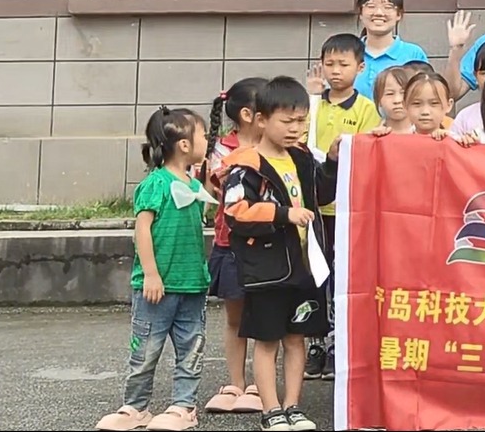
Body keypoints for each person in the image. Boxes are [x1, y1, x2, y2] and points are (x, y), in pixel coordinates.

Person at [221, 76, 339, 432]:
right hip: (267, 270)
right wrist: (283, 214)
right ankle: (270, 409)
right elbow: (235, 212)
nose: (295, 129)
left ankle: (293, 406)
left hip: (304, 267)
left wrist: (332, 162)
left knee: (297, 338)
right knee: (267, 340)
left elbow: (322, 195)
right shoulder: (246, 165)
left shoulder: (302, 157)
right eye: (287, 121)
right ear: (261, 120)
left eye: (301, 121)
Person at [96, 108, 212, 432]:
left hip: (192, 284)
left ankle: (184, 406)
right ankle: (135, 407)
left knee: (191, 349)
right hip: (156, 286)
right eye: (203, 135)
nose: (207, 141)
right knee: (145, 351)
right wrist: (151, 273)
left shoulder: (194, 184)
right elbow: (142, 229)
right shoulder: (155, 183)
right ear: (185, 145)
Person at [301, 33, 380, 380]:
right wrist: (311, 98)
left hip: (346, 210)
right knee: (314, 276)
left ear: (360, 68)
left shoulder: (366, 109)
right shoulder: (312, 104)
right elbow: (301, 142)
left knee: (342, 276)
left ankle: (337, 342)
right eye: (329, 64)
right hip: (313, 211)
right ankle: (315, 342)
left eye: (343, 64)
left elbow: (365, 152)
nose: (335, 71)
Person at [201, 79, 267, 417]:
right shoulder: (221, 149)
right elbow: (216, 188)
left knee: (265, 317)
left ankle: (261, 383)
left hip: (268, 243)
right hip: (229, 243)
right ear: (247, 114)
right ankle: (236, 383)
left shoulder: (277, 144)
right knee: (235, 317)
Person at [352, 0, 428, 98]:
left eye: (387, 7)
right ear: (360, 13)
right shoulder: (349, 52)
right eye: (371, 6)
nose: (379, 13)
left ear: (399, 14)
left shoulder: (413, 53)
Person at [370, 65, 417, 134]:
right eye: (390, 94)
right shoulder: (373, 135)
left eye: (404, 93)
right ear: (379, 100)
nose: (397, 100)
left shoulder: (427, 134)